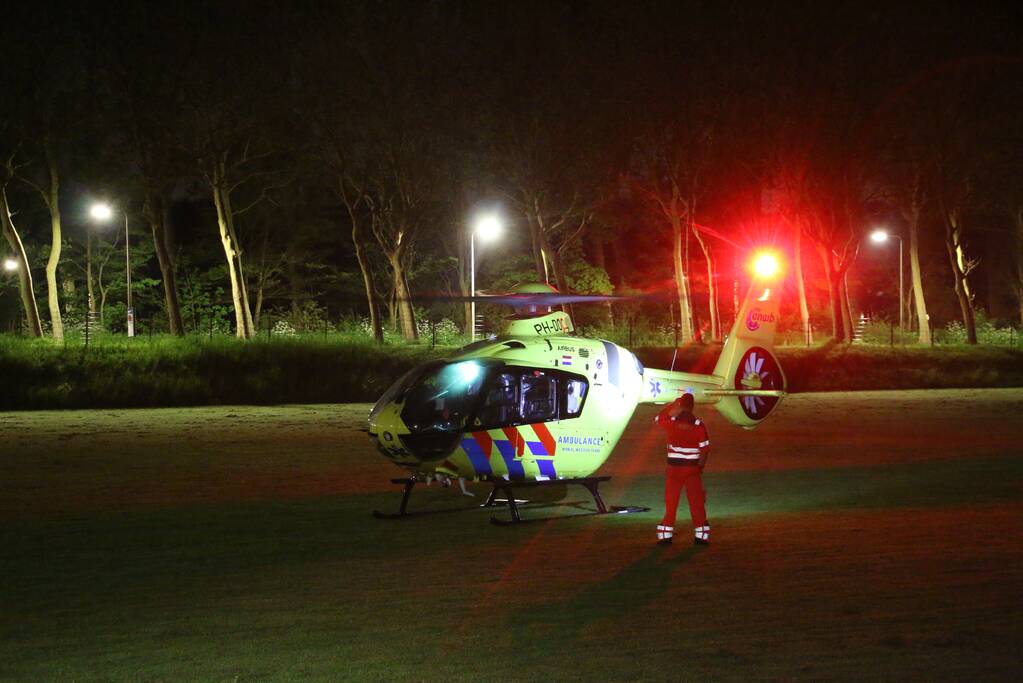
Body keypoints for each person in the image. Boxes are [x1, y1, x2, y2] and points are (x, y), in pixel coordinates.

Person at [654, 393, 711, 546]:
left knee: (671, 504)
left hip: (674, 470)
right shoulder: (699, 425)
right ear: (693, 406)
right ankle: (701, 536)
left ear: (681, 405)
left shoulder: (671, 423)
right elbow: (705, 450)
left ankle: (665, 536)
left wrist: (673, 404)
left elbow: (658, 418)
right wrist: (700, 467)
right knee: (696, 503)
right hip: (692, 470)